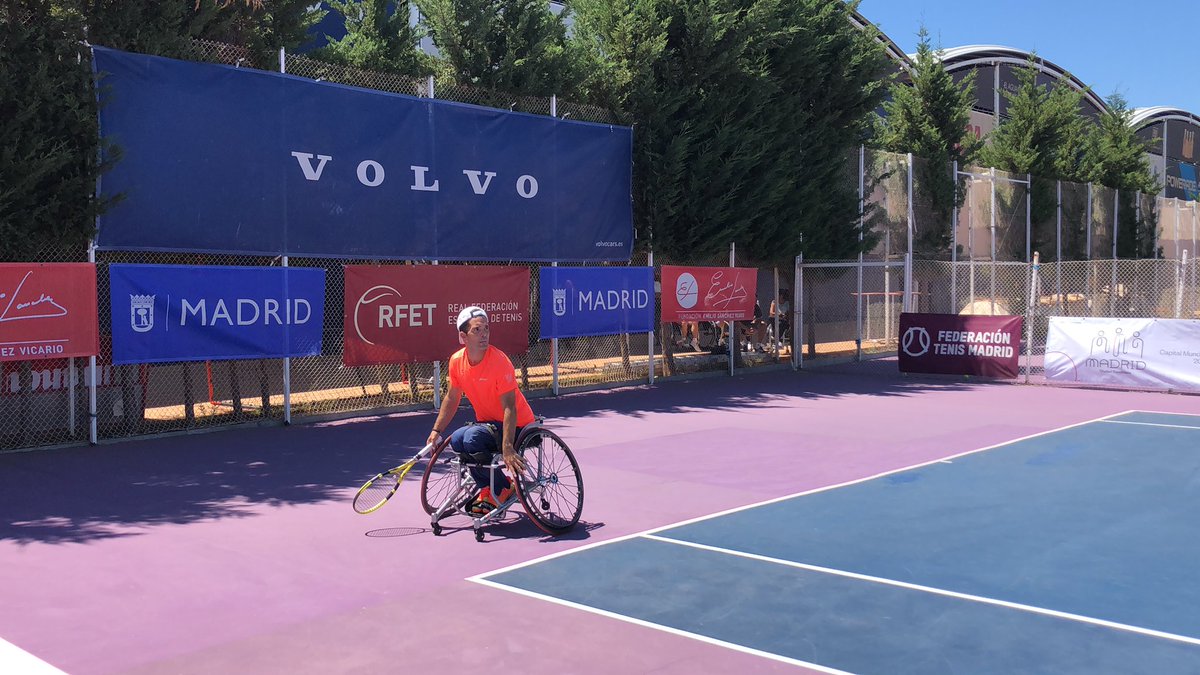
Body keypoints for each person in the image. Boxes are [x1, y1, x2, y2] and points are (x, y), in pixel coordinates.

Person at [426, 306, 533, 515]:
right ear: (463, 336)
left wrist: (508, 448)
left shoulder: (500, 361)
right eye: (477, 330)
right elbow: (452, 397)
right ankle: (492, 487)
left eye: (486, 329)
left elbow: (510, 407)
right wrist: (436, 430)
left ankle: (500, 488)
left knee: (472, 438)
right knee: (458, 439)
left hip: (519, 425)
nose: (484, 334)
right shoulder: (456, 361)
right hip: (489, 425)